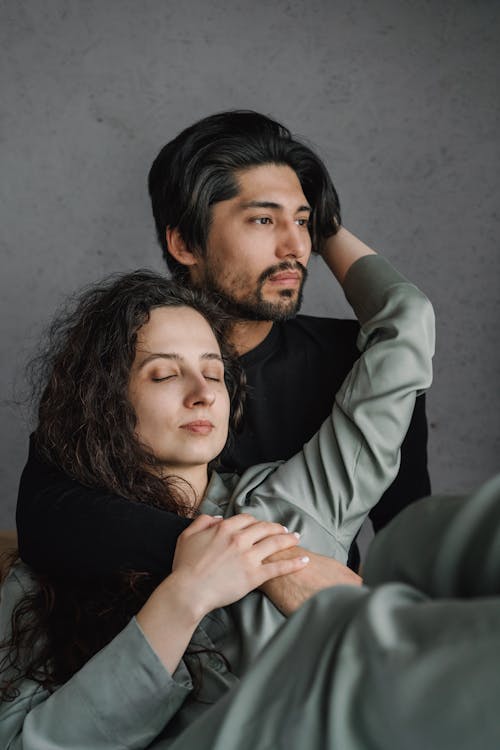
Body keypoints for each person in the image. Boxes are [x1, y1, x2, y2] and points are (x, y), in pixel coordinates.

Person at [0, 242, 435, 748]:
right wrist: (185, 598)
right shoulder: (46, 570)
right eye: (163, 373)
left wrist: (326, 226)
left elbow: (406, 327)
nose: (202, 391)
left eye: (213, 372)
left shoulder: (298, 498)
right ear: (105, 401)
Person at [16, 111, 430, 580]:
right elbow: (46, 516)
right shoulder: (122, 356)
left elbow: (410, 533)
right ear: (185, 244)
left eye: (303, 221)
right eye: (262, 219)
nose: (295, 246)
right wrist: (266, 568)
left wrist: (326, 222)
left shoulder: (355, 361)